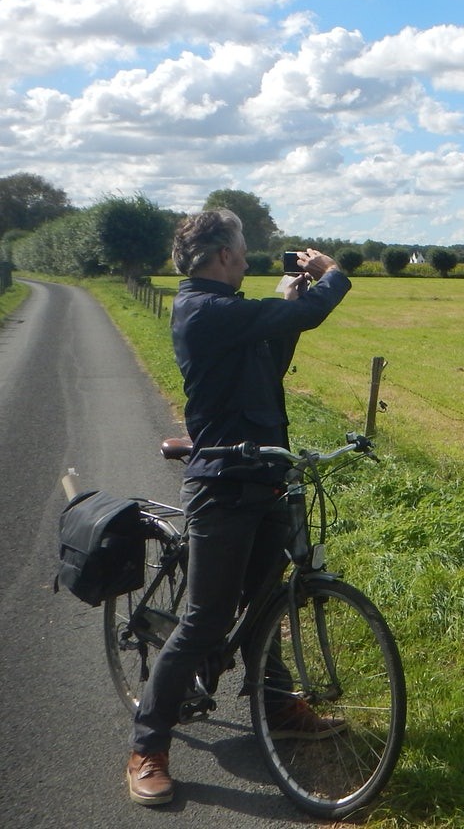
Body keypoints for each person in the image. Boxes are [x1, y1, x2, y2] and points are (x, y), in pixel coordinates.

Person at [126, 209, 352, 806]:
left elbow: (270, 354)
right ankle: (148, 745)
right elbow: (298, 313)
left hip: (263, 476)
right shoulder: (203, 309)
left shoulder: (231, 316)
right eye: (244, 248)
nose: (249, 258)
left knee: (269, 603)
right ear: (222, 255)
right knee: (204, 620)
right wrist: (332, 274)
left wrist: (286, 306)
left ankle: (277, 706)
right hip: (222, 486)